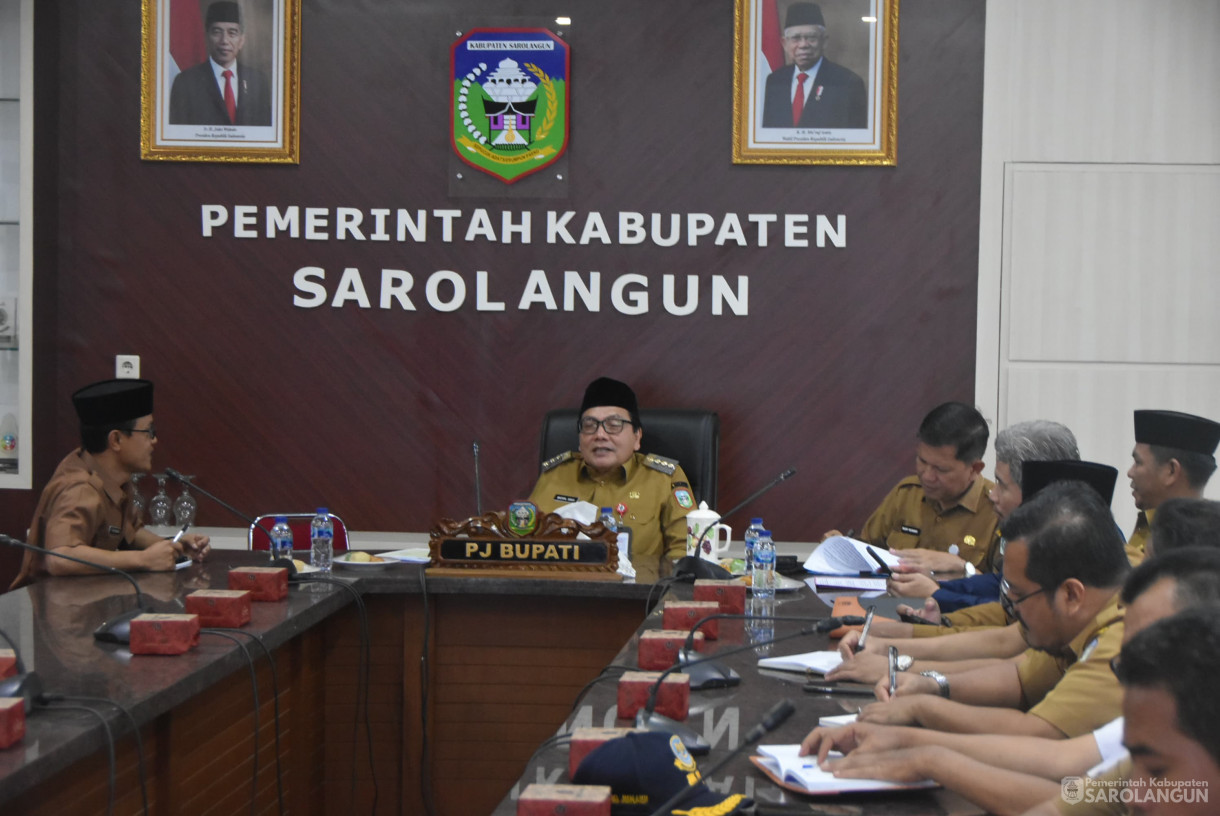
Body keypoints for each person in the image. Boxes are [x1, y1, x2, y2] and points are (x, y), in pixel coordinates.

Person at [801, 547, 1220, 816]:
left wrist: (926, 743)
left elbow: (1050, 751)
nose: (1137, 796)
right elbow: (1071, 797)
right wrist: (924, 754)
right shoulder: (1141, 766)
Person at [853, 481, 1130, 739]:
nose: (1012, 606)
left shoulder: (1124, 643)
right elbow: (1022, 677)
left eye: (1019, 595)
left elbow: (1040, 740)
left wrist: (922, 717)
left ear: (1071, 594)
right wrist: (931, 685)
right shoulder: (1082, 611)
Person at [10, 379, 210, 590]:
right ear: (116, 440)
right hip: (56, 610)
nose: (154, 441)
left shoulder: (115, 479)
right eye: (148, 432)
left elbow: (130, 533)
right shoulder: (80, 487)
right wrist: (143, 560)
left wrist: (174, 547)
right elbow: (61, 557)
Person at [887, 420, 1080, 609]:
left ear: (1038, 491)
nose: (993, 495)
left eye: (1002, 485)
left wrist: (936, 594)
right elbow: (1000, 584)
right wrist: (936, 585)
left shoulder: (1074, 543)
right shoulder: (1040, 531)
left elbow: (1008, 614)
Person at [528, 377, 694, 576]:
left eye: (614, 425)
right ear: (580, 440)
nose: (600, 435)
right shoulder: (555, 476)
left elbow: (686, 550)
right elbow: (524, 539)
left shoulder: (663, 479)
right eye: (590, 425)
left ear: (637, 437)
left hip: (636, 600)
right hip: (560, 597)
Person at [826, 401, 1000, 573]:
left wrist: (962, 568)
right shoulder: (907, 494)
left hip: (961, 602)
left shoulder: (997, 512)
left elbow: (1006, 590)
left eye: (941, 469)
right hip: (893, 600)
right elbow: (869, 551)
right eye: (922, 461)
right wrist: (842, 548)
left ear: (974, 469)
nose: (927, 476)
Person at [1125, 409, 1219, 564]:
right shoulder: (1149, 529)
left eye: (1138, 462)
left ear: (1171, 471)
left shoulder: (1190, 554)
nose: (1130, 472)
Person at [761, 2, 867, 129]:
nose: (803, 45)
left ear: (824, 41)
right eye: (796, 38)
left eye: (811, 38)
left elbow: (856, 139)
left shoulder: (848, 83)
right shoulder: (775, 81)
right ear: (784, 43)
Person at [169, 1, 272, 127]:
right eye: (217, 32)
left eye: (232, 33)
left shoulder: (258, 81)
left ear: (242, 40)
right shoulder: (185, 82)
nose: (224, 41)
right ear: (206, 37)